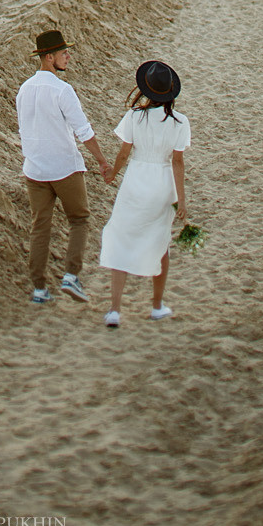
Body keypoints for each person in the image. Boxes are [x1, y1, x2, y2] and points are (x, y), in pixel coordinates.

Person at [16, 28, 110, 304]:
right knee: (79, 220)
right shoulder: (62, 90)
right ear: (48, 57)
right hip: (65, 168)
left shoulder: (24, 89)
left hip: (34, 170)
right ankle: (71, 276)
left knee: (39, 227)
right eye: (63, 53)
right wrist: (102, 161)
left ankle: (39, 289)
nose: (68, 56)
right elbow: (84, 132)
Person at [98, 59, 190, 327]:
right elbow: (177, 162)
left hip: (136, 181)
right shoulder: (180, 122)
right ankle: (157, 306)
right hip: (163, 184)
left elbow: (124, 153)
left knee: (122, 238)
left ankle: (115, 309)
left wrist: (113, 173)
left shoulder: (134, 117)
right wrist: (182, 199)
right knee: (160, 244)